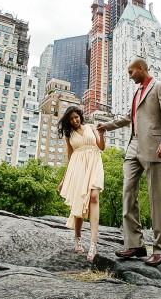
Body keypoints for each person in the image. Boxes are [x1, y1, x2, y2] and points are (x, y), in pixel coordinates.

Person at [97, 58, 161, 267]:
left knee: (155, 199)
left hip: (154, 147)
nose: (129, 76)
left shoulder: (160, 87)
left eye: (131, 72)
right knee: (128, 193)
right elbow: (128, 118)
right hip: (133, 147)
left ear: (142, 69)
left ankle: (160, 249)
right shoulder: (136, 93)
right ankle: (135, 244)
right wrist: (106, 126)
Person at [57, 106, 105, 262]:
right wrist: (64, 179)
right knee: (79, 202)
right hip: (78, 168)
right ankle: (77, 241)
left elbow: (101, 147)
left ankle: (93, 244)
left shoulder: (91, 127)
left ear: (80, 116)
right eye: (71, 119)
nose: (74, 120)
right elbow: (69, 157)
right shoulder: (69, 135)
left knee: (93, 197)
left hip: (94, 162)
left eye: (76, 117)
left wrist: (102, 135)